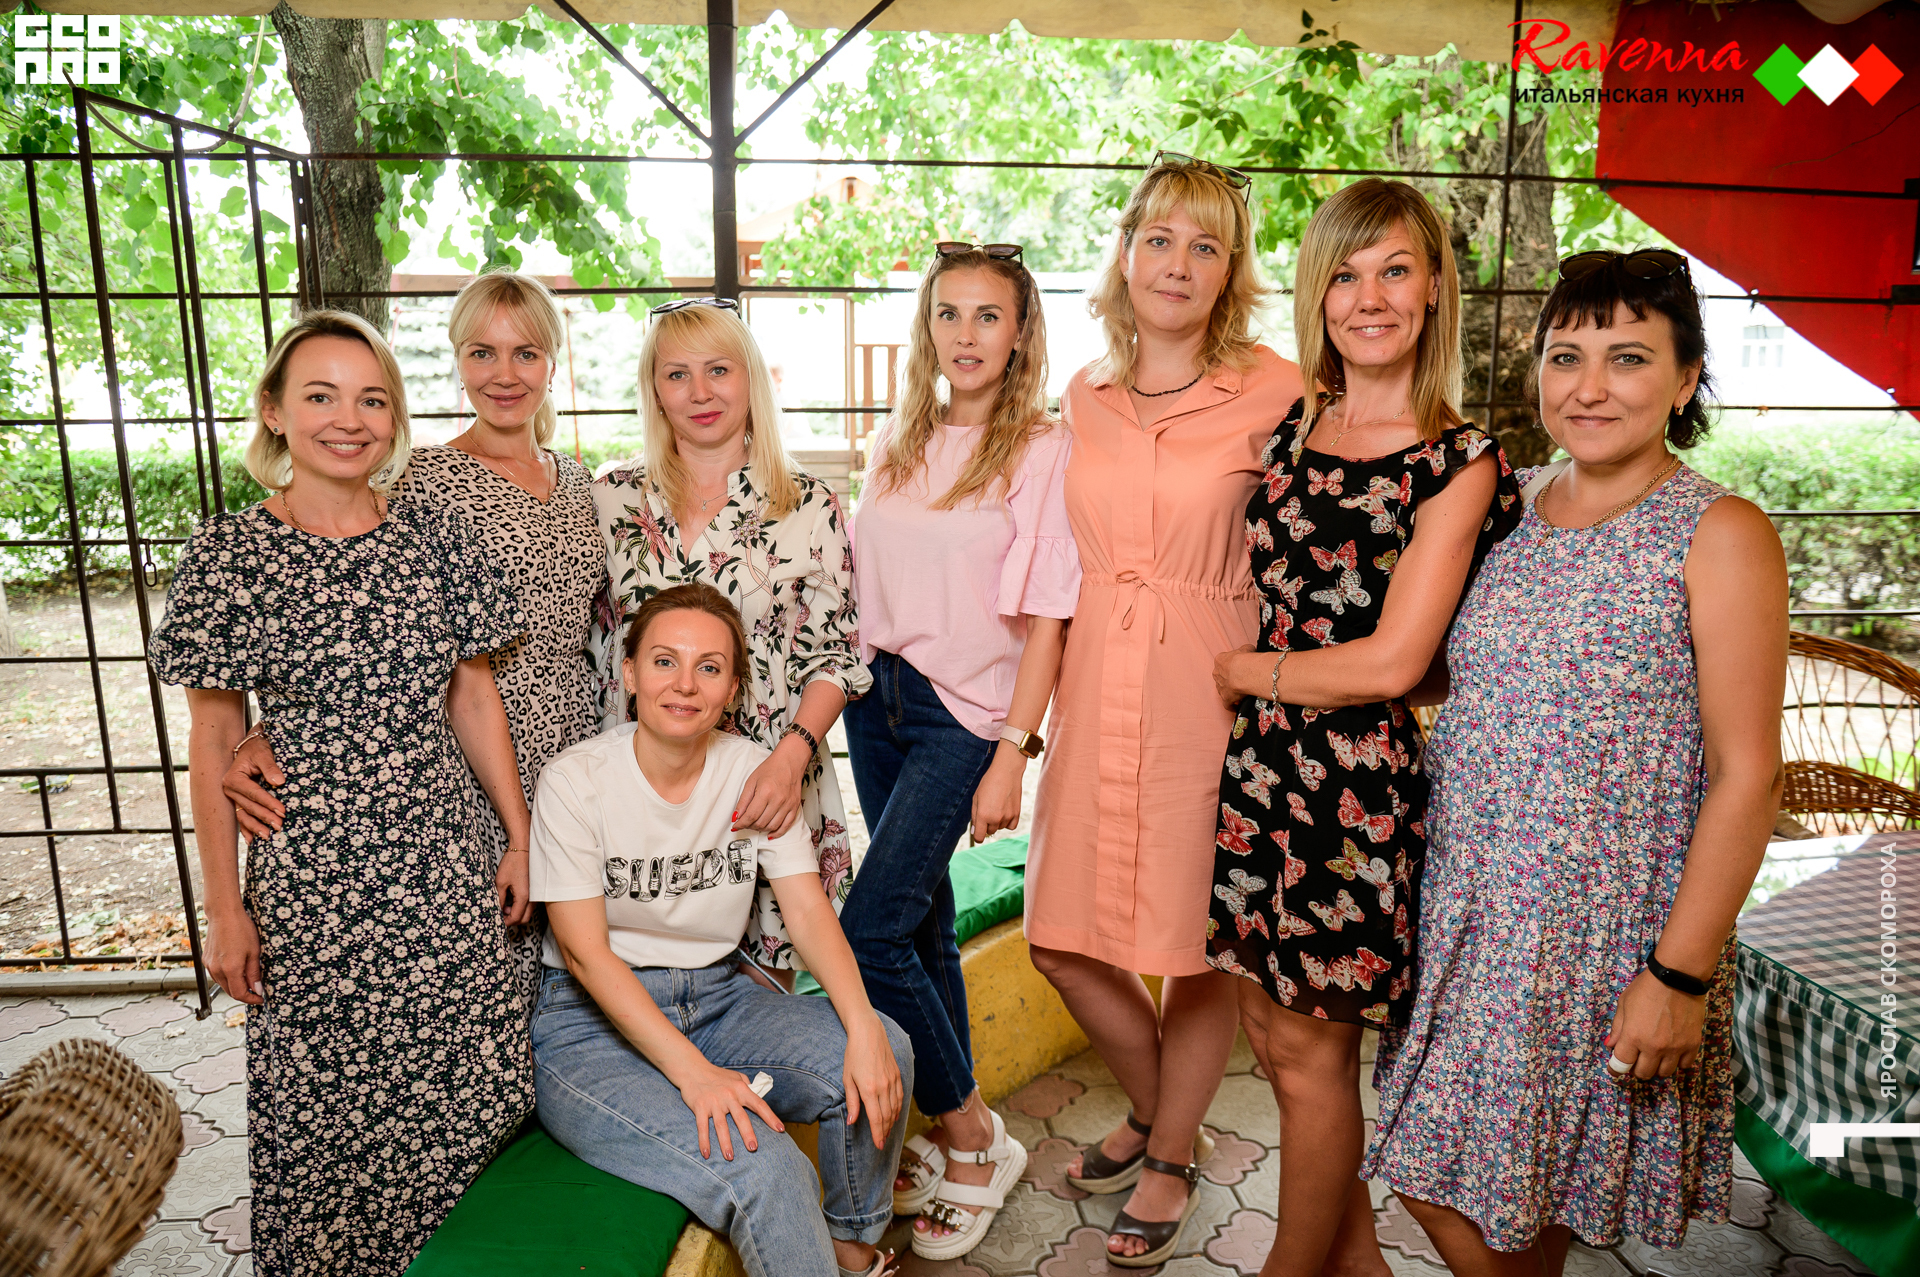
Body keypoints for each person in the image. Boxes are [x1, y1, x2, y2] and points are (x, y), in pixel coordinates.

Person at [1360, 249, 1788, 1275]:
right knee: (1484, 1184)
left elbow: (1749, 776)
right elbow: (1451, 672)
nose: (1589, 386)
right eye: (1566, 356)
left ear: (1685, 380)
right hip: (1470, 909)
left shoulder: (1720, 531)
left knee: (1488, 1187)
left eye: (1628, 357)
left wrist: (1678, 973)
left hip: (1600, 934)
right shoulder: (1508, 503)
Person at [152, 311, 535, 1276]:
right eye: (320, 396)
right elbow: (212, 738)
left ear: (394, 416)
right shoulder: (229, 556)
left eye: (371, 399)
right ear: (274, 412)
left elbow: (473, 695)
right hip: (314, 891)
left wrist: (520, 835)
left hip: (446, 877)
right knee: (324, 1129)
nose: (348, 420)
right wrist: (224, 909)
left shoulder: (435, 535)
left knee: (469, 1106)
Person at [1203, 178, 1521, 1277]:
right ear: (1318, 294)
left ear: (1434, 290)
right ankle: (1359, 1266)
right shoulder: (1299, 423)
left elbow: (1395, 662)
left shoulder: (1459, 460)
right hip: (1262, 768)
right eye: (1344, 274)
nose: (1369, 297)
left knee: (1311, 1053)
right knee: (1270, 1033)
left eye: (1394, 271)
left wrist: (1248, 671)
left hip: (1353, 784)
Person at [1023, 152, 1305, 1267]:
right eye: (1159, 238)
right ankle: (1156, 1107)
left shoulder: (1280, 389)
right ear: (1126, 252)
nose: (1177, 263)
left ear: (1231, 270)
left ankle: (1172, 1150)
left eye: (1205, 244)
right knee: (1059, 934)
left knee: (1195, 947)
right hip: (1096, 675)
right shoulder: (1083, 392)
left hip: (1208, 683)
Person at [220, 270, 606, 1011]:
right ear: (457, 360)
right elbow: (343, 608)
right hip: (468, 758)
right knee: (495, 968)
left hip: (578, 744)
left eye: (526, 353)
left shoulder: (579, 482)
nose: (504, 374)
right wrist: (263, 731)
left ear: (552, 364)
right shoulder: (418, 479)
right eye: (482, 352)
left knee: (580, 968)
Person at [529, 582, 911, 1277]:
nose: (685, 684)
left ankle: (850, 1248)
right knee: (768, 1166)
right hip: (589, 1029)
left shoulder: (750, 773)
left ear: (733, 688)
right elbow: (585, 956)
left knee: (886, 1046)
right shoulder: (575, 782)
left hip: (717, 999)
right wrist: (696, 1075)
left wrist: (862, 1027)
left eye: (708, 667)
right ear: (628, 673)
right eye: (664, 661)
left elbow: (807, 911)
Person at [845, 241, 1078, 1260]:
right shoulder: (898, 436)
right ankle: (958, 1129)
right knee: (924, 922)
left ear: (1021, 331)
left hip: (964, 714)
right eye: (949, 313)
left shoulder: (1043, 448)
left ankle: (974, 1132)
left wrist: (1013, 751)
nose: (967, 334)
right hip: (876, 700)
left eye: (989, 315)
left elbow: (1050, 615)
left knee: (870, 931)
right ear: (927, 326)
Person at [593, 298, 867, 980]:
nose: (700, 392)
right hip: (645, 784)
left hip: (767, 776)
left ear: (750, 378)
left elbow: (834, 656)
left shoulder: (807, 504)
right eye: (677, 374)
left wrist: (790, 758)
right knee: (646, 988)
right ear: (655, 389)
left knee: (761, 999)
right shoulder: (611, 498)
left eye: (718, 370)